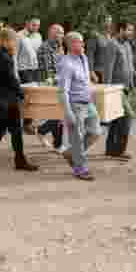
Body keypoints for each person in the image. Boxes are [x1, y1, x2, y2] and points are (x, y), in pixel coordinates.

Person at [0, 29, 38, 171]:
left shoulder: (1, 53)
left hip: (3, 99)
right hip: (3, 100)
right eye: (14, 41)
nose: (15, 44)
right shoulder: (3, 56)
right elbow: (11, 80)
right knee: (8, 128)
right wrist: (22, 95)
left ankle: (17, 159)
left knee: (9, 129)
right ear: (6, 41)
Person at [57, 32, 103, 181]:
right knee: (77, 138)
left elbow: (85, 80)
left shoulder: (83, 58)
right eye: (80, 42)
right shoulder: (66, 64)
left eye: (83, 42)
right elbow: (63, 90)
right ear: (70, 45)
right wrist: (68, 111)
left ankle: (71, 154)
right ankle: (80, 168)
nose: (83, 45)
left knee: (96, 132)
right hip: (75, 105)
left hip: (88, 102)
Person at [106, 21, 136, 160]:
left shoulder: (127, 45)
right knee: (128, 117)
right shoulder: (112, 45)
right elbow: (108, 69)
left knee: (117, 119)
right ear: (121, 30)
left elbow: (130, 66)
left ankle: (110, 149)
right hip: (116, 89)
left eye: (132, 30)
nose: (131, 33)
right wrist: (107, 89)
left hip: (128, 88)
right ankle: (120, 150)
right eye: (129, 30)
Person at [36, 24, 66, 152]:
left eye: (62, 33)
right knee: (58, 114)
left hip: (59, 82)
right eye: (59, 33)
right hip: (49, 84)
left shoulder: (59, 47)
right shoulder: (45, 48)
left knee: (59, 114)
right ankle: (57, 144)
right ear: (51, 34)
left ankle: (44, 132)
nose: (62, 35)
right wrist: (55, 82)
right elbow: (49, 71)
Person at [16, 18, 42, 134]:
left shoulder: (39, 36)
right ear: (27, 24)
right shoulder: (19, 36)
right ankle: (25, 124)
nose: (35, 27)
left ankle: (28, 123)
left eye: (37, 25)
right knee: (26, 97)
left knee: (33, 97)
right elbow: (14, 54)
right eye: (33, 25)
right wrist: (15, 72)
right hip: (23, 70)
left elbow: (39, 53)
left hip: (35, 70)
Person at [86, 16, 118, 85]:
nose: (108, 24)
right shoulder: (95, 36)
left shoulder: (113, 38)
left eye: (110, 22)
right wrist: (91, 72)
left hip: (110, 73)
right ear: (101, 23)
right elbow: (90, 55)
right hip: (98, 72)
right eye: (106, 21)